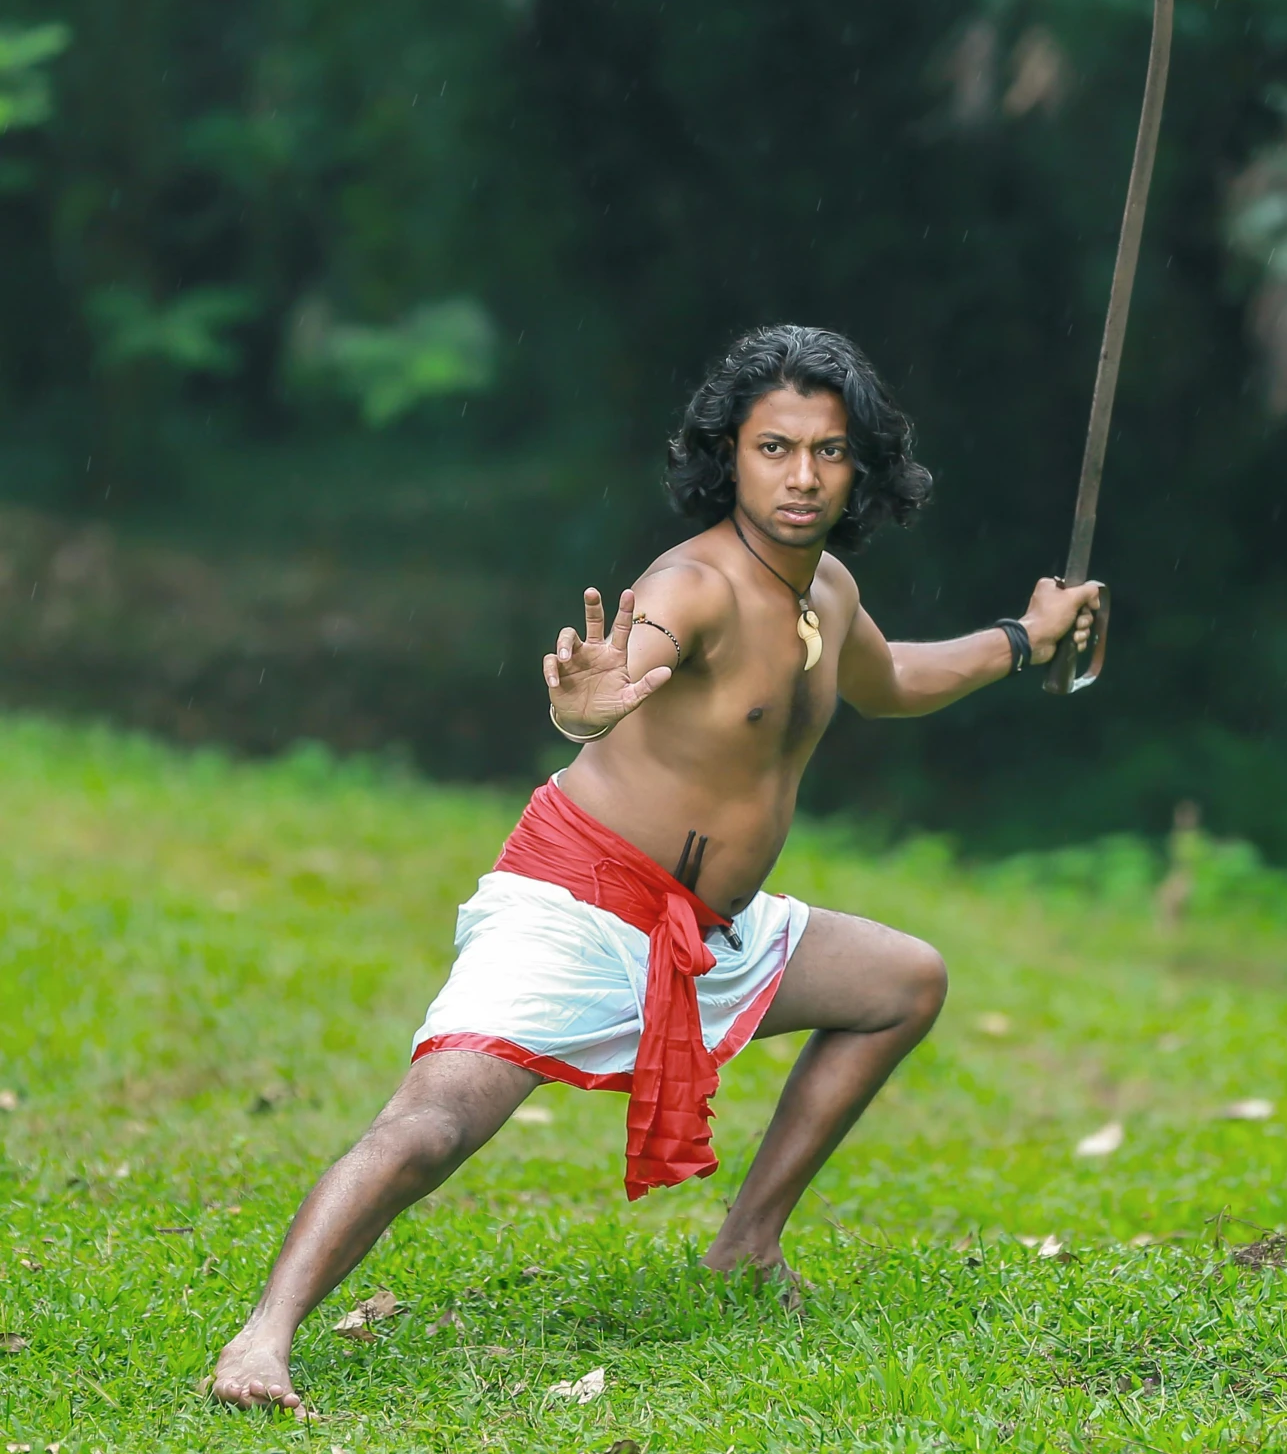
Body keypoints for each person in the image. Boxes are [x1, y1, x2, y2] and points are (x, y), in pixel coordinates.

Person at [211, 324, 1099, 1412]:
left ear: (860, 464)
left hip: (712, 928)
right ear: (729, 453)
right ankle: (263, 1338)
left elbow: (895, 680)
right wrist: (584, 701)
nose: (801, 476)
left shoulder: (828, 594)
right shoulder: (694, 583)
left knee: (903, 980)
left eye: (827, 450)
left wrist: (1023, 636)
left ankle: (746, 1247)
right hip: (578, 906)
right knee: (432, 1125)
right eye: (774, 448)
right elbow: (626, 665)